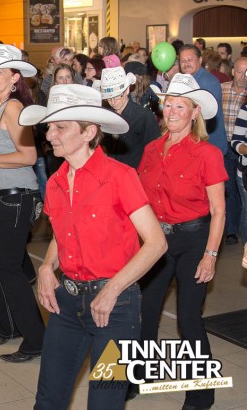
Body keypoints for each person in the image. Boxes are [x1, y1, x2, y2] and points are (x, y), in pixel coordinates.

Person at [19, 83, 166, 409]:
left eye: (60, 127)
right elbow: (63, 230)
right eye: (49, 127)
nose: (50, 135)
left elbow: (156, 243)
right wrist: (46, 266)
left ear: (89, 133)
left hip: (117, 309)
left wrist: (113, 289)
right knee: (47, 400)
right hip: (66, 306)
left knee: (105, 402)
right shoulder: (56, 182)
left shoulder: (120, 176)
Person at [137, 73, 227, 410]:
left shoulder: (207, 154)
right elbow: (140, 202)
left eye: (181, 105)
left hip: (194, 241)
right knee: (145, 311)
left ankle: (201, 393)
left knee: (189, 319)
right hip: (157, 243)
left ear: (194, 113)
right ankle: (139, 375)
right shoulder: (151, 150)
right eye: (169, 104)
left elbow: (219, 210)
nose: (173, 111)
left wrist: (211, 255)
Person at [0, 44, 46, 362]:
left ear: (16, 77)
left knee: (7, 267)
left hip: (18, 198)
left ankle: (36, 338)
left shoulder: (14, 107)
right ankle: (10, 327)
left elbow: (28, 156)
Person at [99, 67, 160, 168]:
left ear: (127, 90)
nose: (113, 101)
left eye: (117, 96)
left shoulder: (143, 116)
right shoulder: (106, 115)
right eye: (108, 98)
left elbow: (154, 152)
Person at [178, 44, 228, 155]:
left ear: (200, 60)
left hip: (210, 145)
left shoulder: (207, 81)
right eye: (183, 61)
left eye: (190, 60)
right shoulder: (186, 80)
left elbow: (204, 117)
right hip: (198, 145)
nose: (186, 64)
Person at [221, 57, 247, 244]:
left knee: (239, 192)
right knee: (229, 188)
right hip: (225, 146)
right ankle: (231, 231)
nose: (243, 76)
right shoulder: (222, 89)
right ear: (233, 71)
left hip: (240, 149)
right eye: (240, 71)